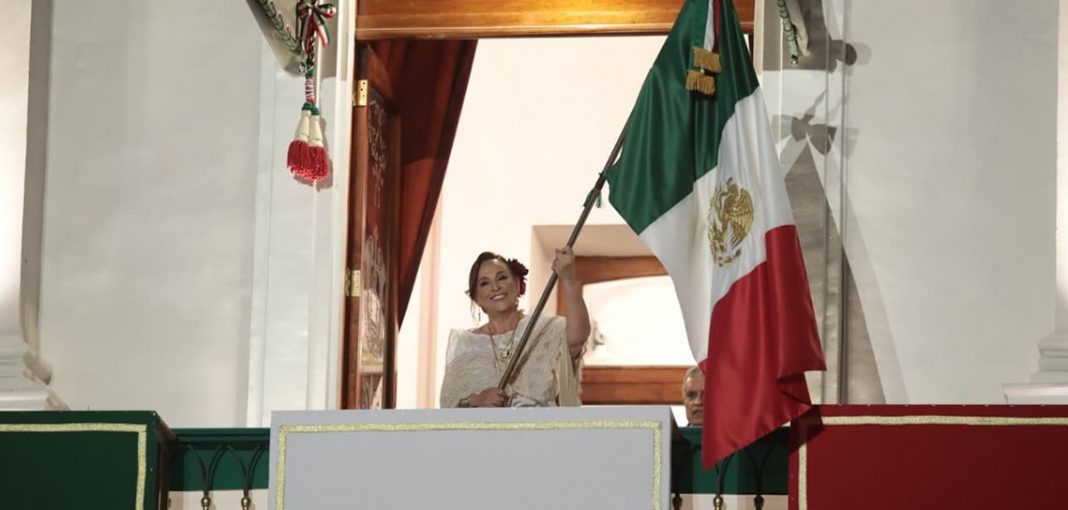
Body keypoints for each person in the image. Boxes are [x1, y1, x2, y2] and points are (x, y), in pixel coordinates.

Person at [440, 247, 590, 408]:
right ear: (476, 298)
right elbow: (449, 405)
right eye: (484, 283)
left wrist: (568, 279)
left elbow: (577, 339)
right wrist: (477, 400)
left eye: (502, 278)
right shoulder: (466, 344)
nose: (495, 287)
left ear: (518, 284)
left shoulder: (544, 329)